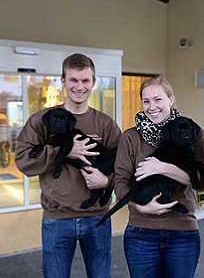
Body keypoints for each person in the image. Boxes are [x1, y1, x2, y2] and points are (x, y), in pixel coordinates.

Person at [15, 53, 121, 278]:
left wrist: (106, 181)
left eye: (85, 80)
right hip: (57, 218)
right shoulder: (43, 120)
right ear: (63, 81)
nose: (79, 86)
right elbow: (23, 160)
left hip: (97, 217)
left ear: (93, 82)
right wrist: (62, 152)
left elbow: (123, 167)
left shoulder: (105, 124)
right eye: (73, 80)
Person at [114, 76, 204, 278]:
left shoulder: (193, 132)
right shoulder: (131, 137)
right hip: (141, 232)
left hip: (182, 231)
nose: (152, 106)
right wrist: (139, 206)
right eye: (146, 101)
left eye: (158, 99)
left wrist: (164, 168)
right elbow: (120, 181)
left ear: (171, 100)